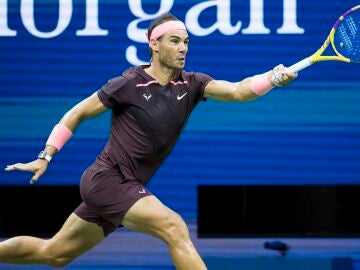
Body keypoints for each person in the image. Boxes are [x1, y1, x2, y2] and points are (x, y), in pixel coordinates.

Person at [2, 12, 297, 269]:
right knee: (174, 227)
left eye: (186, 42)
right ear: (153, 44)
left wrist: (272, 78)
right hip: (108, 180)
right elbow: (76, 113)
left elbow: (237, 91)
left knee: (55, 253)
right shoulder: (128, 84)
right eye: (174, 41)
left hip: (124, 185)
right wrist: (46, 155)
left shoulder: (193, 84)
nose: (183, 48)